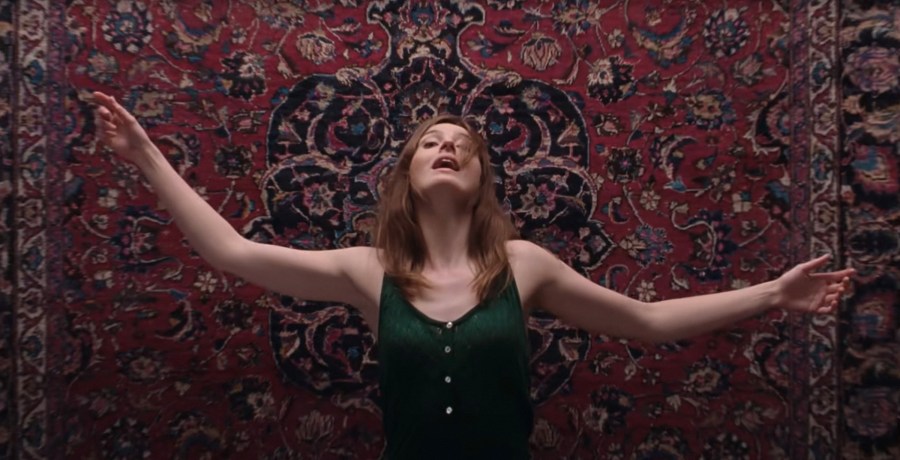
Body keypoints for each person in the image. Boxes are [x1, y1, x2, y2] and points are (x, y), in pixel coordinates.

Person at [92, 91, 854, 459]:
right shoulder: (368, 271)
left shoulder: (524, 264)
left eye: (461, 143)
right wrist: (146, 156)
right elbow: (232, 252)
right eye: (430, 143)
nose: (447, 147)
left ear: (482, 176)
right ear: (406, 174)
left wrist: (774, 295)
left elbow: (648, 323)